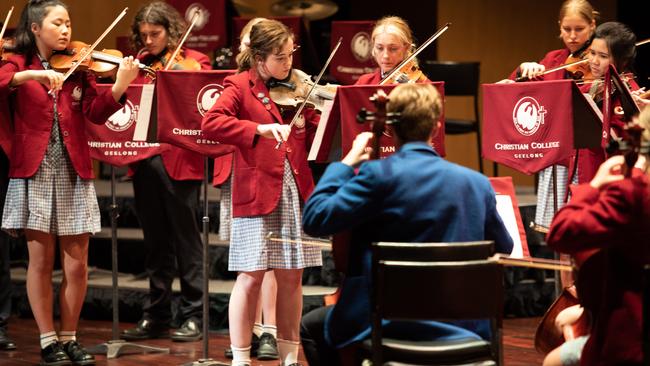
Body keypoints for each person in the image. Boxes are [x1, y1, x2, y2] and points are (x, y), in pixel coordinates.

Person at [300, 83, 514, 366]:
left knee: (312, 327)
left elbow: (315, 218)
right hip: (465, 328)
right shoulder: (476, 184)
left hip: (388, 325)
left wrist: (346, 162)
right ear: (436, 127)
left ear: (392, 127)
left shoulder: (376, 176)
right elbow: (504, 247)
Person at [0, 0, 139, 364]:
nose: (66, 30)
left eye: (69, 23)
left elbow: (94, 111)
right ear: (34, 28)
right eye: (58, 23)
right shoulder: (17, 64)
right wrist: (33, 77)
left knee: (76, 264)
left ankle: (70, 336)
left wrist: (119, 87)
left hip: (74, 170)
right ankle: (47, 339)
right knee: (40, 263)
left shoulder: (80, 68)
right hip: (35, 170)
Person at [201, 19, 322, 366]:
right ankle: (240, 358)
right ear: (258, 58)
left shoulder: (297, 88)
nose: (289, 65)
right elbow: (212, 122)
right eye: (280, 58)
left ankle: (288, 356)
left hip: (295, 190)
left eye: (290, 56)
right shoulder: (238, 85)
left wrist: (320, 113)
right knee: (250, 276)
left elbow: (315, 137)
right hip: (257, 192)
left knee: (292, 277)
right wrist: (258, 129)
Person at [120, 1, 211, 343]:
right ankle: (156, 314)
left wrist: (177, 75)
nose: (149, 40)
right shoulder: (138, 65)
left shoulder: (194, 61)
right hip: (143, 159)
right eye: (143, 35)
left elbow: (201, 95)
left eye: (155, 34)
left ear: (171, 31)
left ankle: (193, 314)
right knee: (155, 242)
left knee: (187, 241)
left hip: (179, 160)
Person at [542, 106, 650, 366]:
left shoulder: (634, 195)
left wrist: (594, 185)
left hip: (631, 342)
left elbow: (562, 233)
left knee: (554, 360)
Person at [502, 0, 598, 230]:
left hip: (586, 157)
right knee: (555, 229)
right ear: (559, 27)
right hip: (556, 157)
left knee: (582, 228)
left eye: (579, 29)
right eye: (567, 29)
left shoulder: (599, 60)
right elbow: (518, 84)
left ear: (592, 26)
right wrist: (524, 68)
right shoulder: (554, 60)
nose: (572, 36)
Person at [217, 17, 279, 361]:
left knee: (272, 263)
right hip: (243, 174)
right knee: (250, 261)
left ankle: (269, 331)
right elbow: (217, 122)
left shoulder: (281, 84)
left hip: (275, 176)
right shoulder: (238, 83)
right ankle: (248, 331)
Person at [568, 21, 640, 185]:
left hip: (610, 178)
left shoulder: (629, 95)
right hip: (582, 172)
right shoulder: (586, 88)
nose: (594, 61)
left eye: (603, 56)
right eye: (592, 53)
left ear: (623, 61)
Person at [355, 15, 429, 85]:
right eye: (380, 48)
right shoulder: (364, 82)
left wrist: (412, 90)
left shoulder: (418, 82)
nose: (385, 56)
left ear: (407, 47)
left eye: (393, 49)